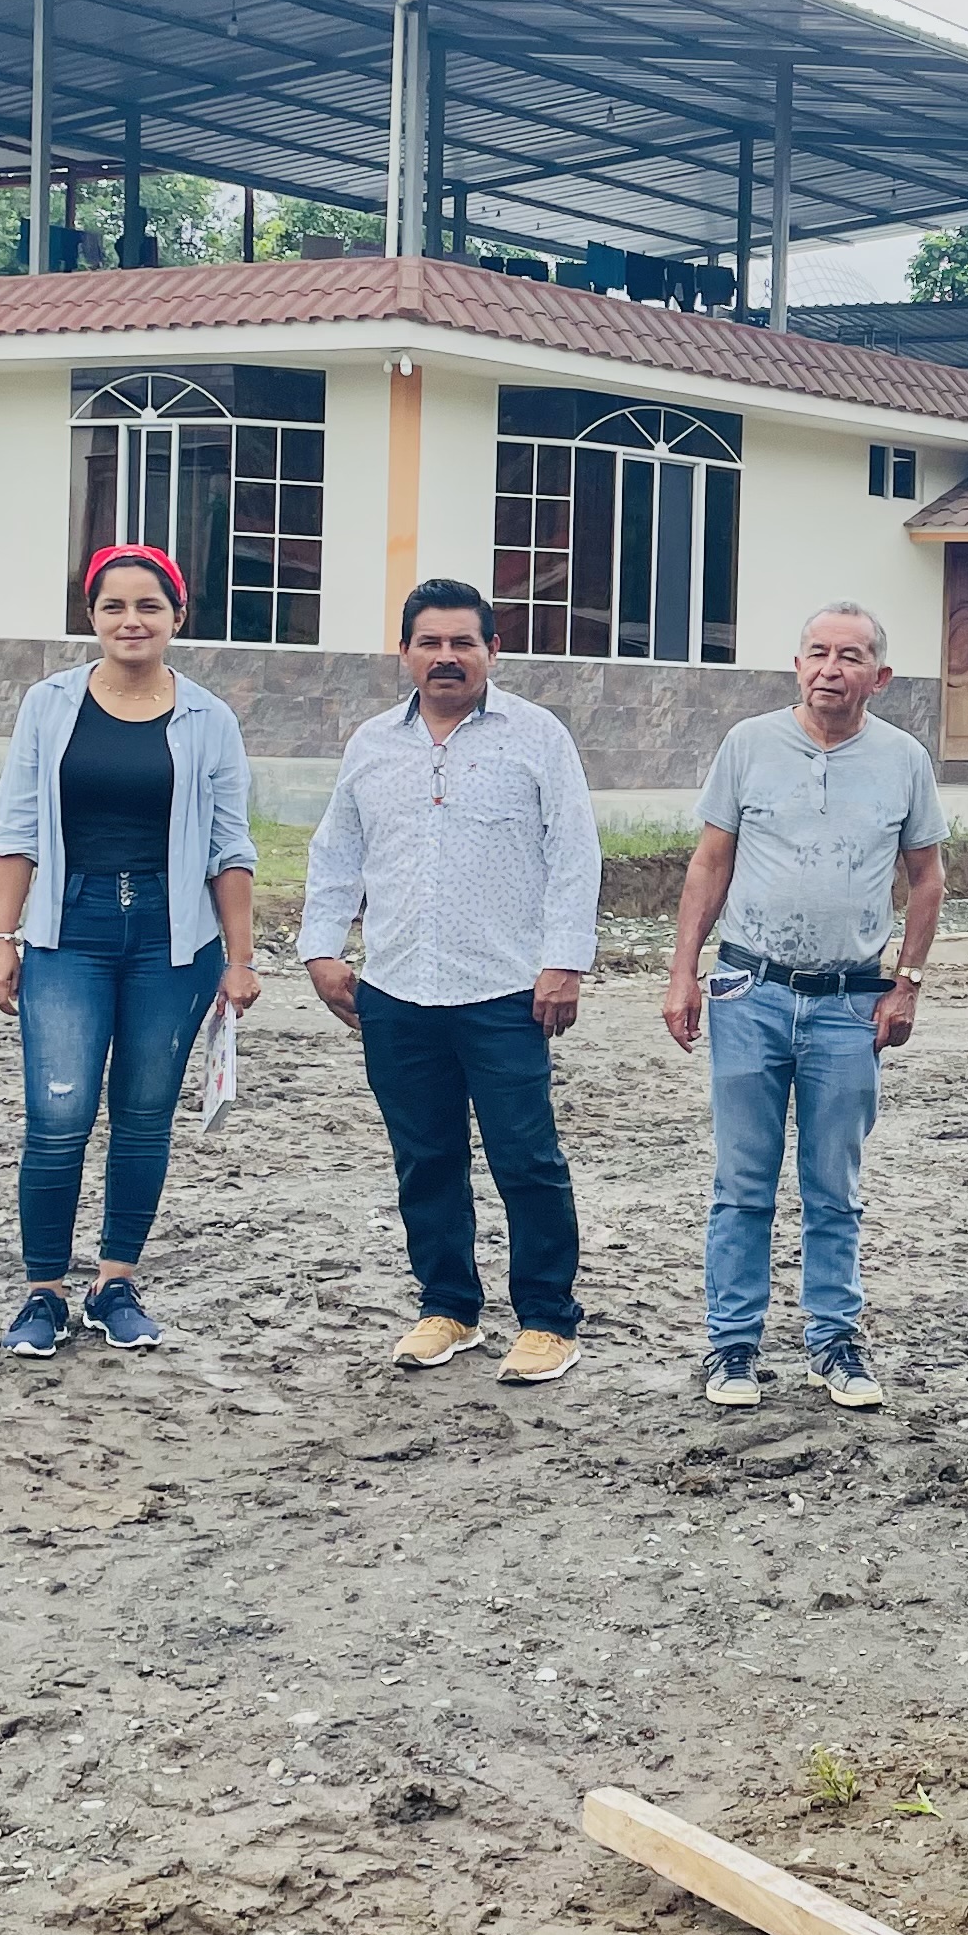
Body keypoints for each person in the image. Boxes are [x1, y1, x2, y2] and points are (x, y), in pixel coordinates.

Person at [299, 577, 601, 1380]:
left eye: (462, 642)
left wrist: (564, 961)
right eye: (429, 642)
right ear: (404, 652)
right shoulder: (372, 745)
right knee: (425, 1158)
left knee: (526, 1158)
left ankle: (548, 1320)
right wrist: (321, 949)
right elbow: (337, 853)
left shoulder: (537, 737)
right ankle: (448, 1308)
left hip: (507, 991)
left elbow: (574, 853)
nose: (446, 657)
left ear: (492, 650)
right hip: (397, 990)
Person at [664, 603, 945, 1413]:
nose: (831, 669)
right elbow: (709, 863)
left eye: (850, 656)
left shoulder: (903, 760)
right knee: (742, 1181)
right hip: (749, 992)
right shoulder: (749, 745)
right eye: (818, 653)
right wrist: (682, 973)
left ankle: (834, 1341)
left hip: (850, 1004)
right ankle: (733, 1346)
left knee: (834, 1183)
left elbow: (927, 878)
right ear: (797, 665)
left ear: (878, 677)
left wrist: (907, 982)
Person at [0, 546, 261, 1360]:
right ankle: (43, 1293)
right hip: (69, 929)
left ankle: (116, 1284)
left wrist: (240, 957)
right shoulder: (50, 704)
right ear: (92, 615)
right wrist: (1, 940)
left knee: (143, 1116)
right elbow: (16, 828)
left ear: (178, 616)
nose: (131, 621)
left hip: (173, 942)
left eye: (149, 606)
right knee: (59, 1115)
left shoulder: (209, 718)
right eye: (114, 606)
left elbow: (229, 846)